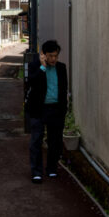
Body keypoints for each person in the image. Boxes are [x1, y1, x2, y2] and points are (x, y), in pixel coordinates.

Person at [25, 39, 68, 183]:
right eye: (50, 56)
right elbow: (31, 82)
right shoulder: (34, 66)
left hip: (56, 109)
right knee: (36, 140)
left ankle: (51, 168)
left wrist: (63, 109)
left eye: (56, 56)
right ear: (43, 55)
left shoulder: (61, 68)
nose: (53, 59)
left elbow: (64, 89)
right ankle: (36, 171)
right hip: (38, 108)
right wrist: (42, 67)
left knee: (55, 141)